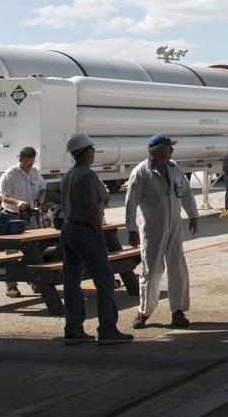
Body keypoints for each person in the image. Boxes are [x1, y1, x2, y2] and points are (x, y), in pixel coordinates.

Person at [59, 132, 133, 345]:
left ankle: (73, 328)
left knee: (72, 280)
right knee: (105, 279)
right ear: (88, 152)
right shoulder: (88, 176)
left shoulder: (68, 175)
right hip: (86, 230)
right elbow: (92, 208)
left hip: (69, 228)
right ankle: (107, 328)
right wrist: (97, 229)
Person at [125, 133, 199, 330]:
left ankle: (178, 311)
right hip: (152, 228)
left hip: (174, 226)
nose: (172, 151)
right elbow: (130, 203)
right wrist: (131, 229)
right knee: (152, 270)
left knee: (178, 267)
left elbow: (186, 192)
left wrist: (193, 215)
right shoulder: (141, 172)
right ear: (158, 150)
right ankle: (144, 311)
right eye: (168, 147)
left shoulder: (174, 168)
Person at [0, 146, 46, 298]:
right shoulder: (10, 174)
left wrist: (41, 196)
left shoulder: (35, 173)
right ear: (21, 159)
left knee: (35, 248)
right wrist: (17, 202)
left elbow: (42, 186)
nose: (30, 164)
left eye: (32, 161)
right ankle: (11, 285)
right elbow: (0, 197)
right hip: (12, 216)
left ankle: (34, 279)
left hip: (29, 216)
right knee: (11, 252)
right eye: (28, 162)